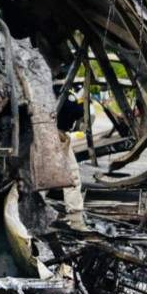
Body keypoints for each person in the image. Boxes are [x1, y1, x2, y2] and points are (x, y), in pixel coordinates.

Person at [56, 90, 89, 231]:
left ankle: (31, 213)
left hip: (48, 134)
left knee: (45, 175)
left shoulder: (44, 88)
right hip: (57, 135)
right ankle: (75, 221)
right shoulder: (63, 92)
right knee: (72, 176)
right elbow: (77, 112)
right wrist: (81, 100)